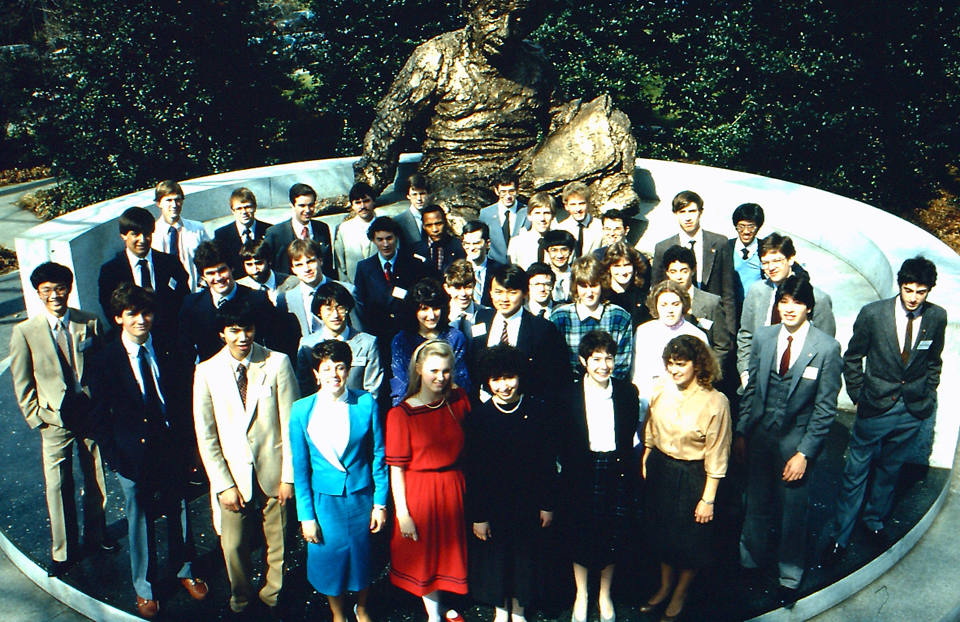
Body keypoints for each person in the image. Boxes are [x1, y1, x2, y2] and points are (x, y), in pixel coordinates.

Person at [90, 284, 207, 619]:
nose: (141, 320)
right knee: (139, 521)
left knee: (179, 511)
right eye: (132, 314)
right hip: (132, 457)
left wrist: (190, 448)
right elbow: (99, 418)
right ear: (118, 318)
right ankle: (145, 587)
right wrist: (115, 460)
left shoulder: (167, 349)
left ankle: (186, 569)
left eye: (146, 313)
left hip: (170, 448)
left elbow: (182, 402)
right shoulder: (104, 361)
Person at [823, 257, 948, 566]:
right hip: (874, 407)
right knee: (855, 474)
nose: (913, 298)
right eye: (908, 290)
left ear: (929, 291)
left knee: (891, 470)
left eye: (921, 292)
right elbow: (852, 358)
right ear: (900, 286)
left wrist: (927, 394)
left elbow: (934, 360)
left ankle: (874, 520)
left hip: (912, 408)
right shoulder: (873, 315)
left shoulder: (936, 317)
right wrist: (858, 396)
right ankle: (840, 536)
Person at [736, 275, 842, 603]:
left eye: (796, 302)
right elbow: (752, 391)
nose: (789, 309)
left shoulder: (826, 348)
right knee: (755, 506)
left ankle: (790, 574)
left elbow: (825, 410)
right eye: (783, 302)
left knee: (793, 513)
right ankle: (749, 563)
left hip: (795, 443)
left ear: (809, 307)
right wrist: (741, 432)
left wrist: (805, 454)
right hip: (760, 437)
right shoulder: (764, 338)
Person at [192, 300, 299, 614]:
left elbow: (290, 424)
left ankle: (273, 594)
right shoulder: (206, 371)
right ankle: (241, 596)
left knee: (279, 541)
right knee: (234, 544)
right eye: (234, 330)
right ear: (223, 332)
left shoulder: (277, 363)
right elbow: (206, 435)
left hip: (274, 472)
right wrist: (223, 484)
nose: (242, 337)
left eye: (247, 329)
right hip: (234, 477)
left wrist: (289, 477)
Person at [10, 262, 112, 577]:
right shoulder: (25, 332)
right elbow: (22, 381)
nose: (55, 296)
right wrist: (39, 418)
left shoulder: (89, 322)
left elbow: (104, 367)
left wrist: (103, 406)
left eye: (60, 288)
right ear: (38, 294)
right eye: (47, 291)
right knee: (58, 483)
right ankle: (64, 550)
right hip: (55, 421)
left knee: (96, 478)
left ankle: (97, 536)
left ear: (68, 288)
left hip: (89, 415)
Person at [290, 339, 388, 622]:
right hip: (324, 501)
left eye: (340, 367)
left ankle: (363, 608)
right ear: (316, 373)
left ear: (348, 370)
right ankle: (337, 613)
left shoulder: (365, 402)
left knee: (363, 559)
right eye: (326, 368)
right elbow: (300, 470)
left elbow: (378, 457)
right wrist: (306, 516)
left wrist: (380, 504)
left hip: (361, 497)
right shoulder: (301, 410)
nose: (333, 374)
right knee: (329, 559)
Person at [641, 335, 731, 621]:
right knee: (663, 534)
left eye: (681, 364)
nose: (674, 370)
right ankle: (665, 586)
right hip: (661, 469)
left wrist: (708, 498)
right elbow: (651, 427)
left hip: (695, 475)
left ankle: (680, 592)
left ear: (698, 365)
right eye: (670, 364)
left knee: (691, 540)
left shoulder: (716, 402)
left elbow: (718, 453)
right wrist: (646, 456)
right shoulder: (660, 388)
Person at [465, 345, 558, 622]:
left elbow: (547, 463)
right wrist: (479, 516)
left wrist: (547, 504)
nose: (504, 386)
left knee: (525, 559)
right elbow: (474, 472)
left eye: (509, 377)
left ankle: (519, 610)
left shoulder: (538, 411)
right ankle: (500, 609)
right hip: (494, 504)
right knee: (496, 560)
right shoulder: (478, 418)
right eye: (496, 379)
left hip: (528, 502)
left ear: (519, 376)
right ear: (487, 381)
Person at [386, 340, 470, 622]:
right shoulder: (401, 414)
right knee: (425, 557)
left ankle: (445, 606)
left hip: (454, 487)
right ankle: (433, 615)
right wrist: (403, 514)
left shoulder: (458, 400)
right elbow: (396, 470)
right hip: (420, 491)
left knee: (448, 553)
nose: (440, 377)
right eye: (434, 370)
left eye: (446, 371)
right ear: (419, 369)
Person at [560, 331, 640, 622]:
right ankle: (582, 594)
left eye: (609, 357)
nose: (603, 365)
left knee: (612, 534)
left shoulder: (627, 392)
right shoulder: (568, 394)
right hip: (582, 471)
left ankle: (604, 594)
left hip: (616, 469)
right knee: (580, 533)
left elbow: (629, 434)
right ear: (583, 361)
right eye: (596, 358)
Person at [737, 232, 836, 387]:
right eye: (765, 262)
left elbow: (826, 347)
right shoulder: (757, 291)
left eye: (777, 260)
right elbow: (746, 334)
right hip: (759, 380)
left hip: (799, 383)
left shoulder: (818, 298)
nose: (771, 268)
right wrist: (745, 372)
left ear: (790, 259)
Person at [179, 241, 291, 365]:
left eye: (222, 270)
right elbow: (186, 349)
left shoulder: (257, 299)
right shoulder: (192, 305)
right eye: (210, 273)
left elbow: (277, 341)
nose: (218, 278)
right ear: (203, 277)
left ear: (231, 268)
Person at [472, 263, 572, 401]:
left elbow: (555, 378)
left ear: (525, 293)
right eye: (498, 292)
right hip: (486, 406)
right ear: (490, 292)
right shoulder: (481, 318)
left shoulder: (542, 329)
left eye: (512, 292)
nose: (504, 299)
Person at [98, 205, 189, 350]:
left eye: (146, 233)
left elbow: (184, 300)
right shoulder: (111, 271)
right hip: (133, 342)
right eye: (135, 234)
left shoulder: (170, 264)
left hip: (171, 342)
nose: (142, 240)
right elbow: (109, 308)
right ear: (124, 235)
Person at [651, 190, 736, 336]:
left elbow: (728, 292)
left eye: (692, 211)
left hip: (710, 318)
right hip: (674, 322)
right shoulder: (663, 247)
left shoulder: (720, 243)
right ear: (675, 214)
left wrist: (730, 332)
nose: (688, 218)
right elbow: (656, 289)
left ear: (700, 212)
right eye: (682, 212)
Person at [550, 255, 633, 380]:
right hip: (570, 389)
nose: (589, 293)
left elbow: (622, 363)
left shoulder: (619, 317)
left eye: (594, 286)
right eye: (583, 286)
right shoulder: (560, 317)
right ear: (576, 287)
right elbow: (555, 362)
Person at [390, 278, 471, 405]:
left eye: (436, 308)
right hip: (414, 407)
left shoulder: (455, 337)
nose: (432, 315)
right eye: (424, 309)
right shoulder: (401, 340)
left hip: (448, 405)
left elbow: (462, 381)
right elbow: (401, 383)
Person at [632, 280, 709, 413]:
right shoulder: (643, 332)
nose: (670, 310)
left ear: (683, 305)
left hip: (686, 406)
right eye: (664, 305)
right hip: (648, 404)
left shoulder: (697, 335)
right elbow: (637, 374)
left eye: (675, 304)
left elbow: (704, 376)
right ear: (656, 306)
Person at [296, 282, 383, 398]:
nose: (335, 315)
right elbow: (304, 387)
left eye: (340, 308)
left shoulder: (368, 343)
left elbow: (372, 391)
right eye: (328, 309)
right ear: (319, 312)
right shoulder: (307, 345)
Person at [354, 216, 430, 348]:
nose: (385, 244)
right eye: (380, 239)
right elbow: (361, 304)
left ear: (397, 237)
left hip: (409, 333)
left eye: (389, 238)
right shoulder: (364, 268)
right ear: (373, 240)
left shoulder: (413, 264)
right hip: (380, 336)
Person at [662, 245, 733, 369]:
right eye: (673, 272)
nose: (679, 277)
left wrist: (708, 373)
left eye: (684, 271)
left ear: (693, 271)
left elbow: (722, 345)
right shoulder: (661, 302)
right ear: (667, 273)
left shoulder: (711, 302)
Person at [277, 239, 362, 339]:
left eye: (310, 261)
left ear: (320, 261)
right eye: (299, 265)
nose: (306, 269)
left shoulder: (348, 290)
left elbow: (360, 335)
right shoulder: (286, 299)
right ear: (293, 269)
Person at [151, 180, 212, 292]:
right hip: (165, 296)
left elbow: (210, 258)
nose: (174, 205)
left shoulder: (197, 228)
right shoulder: (151, 233)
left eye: (177, 200)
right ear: (159, 203)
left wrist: (203, 284)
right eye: (168, 200)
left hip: (195, 291)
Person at [262, 183, 334, 276]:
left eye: (311, 205)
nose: (307, 210)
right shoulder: (275, 233)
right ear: (292, 206)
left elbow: (328, 264)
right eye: (302, 206)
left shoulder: (322, 228)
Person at [213, 187, 272, 276]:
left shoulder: (269, 230)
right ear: (232, 211)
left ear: (255, 207)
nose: (244, 212)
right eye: (239, 208)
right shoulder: (222, 235)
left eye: (247, 207)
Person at [600, 241, 651, 331]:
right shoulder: (602, 295)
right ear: (608, 268)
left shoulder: (642, 297)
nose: (623, 272)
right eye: (617, 266)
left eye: (627, 265)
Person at [333, 182, 379, 284]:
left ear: (373, 201)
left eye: (366, 201)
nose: (363, 206)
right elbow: (340, 264)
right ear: (352, 205)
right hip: (354, 287)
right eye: (358, 203)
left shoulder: (386, 224)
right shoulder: (344, 229)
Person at [480, 172, 529, 264]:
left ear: (517, 190)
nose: (508, 196)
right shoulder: (485, 213)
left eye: (511, 191)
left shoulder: (527, 212)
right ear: (496, 191)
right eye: (503, 192)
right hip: (494, 268)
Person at [443, 259, 488, 356]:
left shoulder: (487, 313)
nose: (463, 294)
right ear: (447, 288)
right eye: (457, 288)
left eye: (468, 287)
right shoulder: (440, 316)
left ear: (474, 285)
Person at [728, 203, 764, 320]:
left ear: (758, 227)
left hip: (758, 309)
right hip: (732, 309)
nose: (746, 231)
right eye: (741, 226)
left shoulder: (766, 248)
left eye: (751, 226)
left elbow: (795, 269)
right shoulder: (726, 247)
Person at [235, 239, 299, 303]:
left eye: (259, 263)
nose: (255, 269)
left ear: (269, 261)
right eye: (249, 264)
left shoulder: (293, 282)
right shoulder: (238, 288)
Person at [412, 205, 466, 278]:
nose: (435, 230)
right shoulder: (415, 250)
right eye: (429, 225)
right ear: (423, 227)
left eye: (438, 224)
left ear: (446, 222)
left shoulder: (459, 246)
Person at [508, 192, 555, 270]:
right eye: (537, 213)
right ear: (529, 216)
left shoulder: (560, 241)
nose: (542, 218)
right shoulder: (517, 243)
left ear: (553, 216)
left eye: (546, 213)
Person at [461, 219, 503, 307]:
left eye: (476, 243)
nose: (471, 248)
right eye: (467, 244)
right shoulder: (454, 270)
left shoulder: (499, 270)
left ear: (487, 243)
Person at [556, 182, 602, 258]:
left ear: (588, 203)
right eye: (573, 204)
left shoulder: (600, 226)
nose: (578, 209)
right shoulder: (560, 229)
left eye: (581, 204)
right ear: (566, 206)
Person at [541, 229, 576, 304]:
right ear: (547, 252)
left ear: (571, 251)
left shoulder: (577, 275)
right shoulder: (542, 276)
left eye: (564, 250)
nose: (559, 255)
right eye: (554, 250)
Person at [395, 173, 428, 250]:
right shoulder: (399, 221)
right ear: (408, 196)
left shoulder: (437, 217)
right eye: (414, 194)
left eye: (422, 194)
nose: (419, 198)